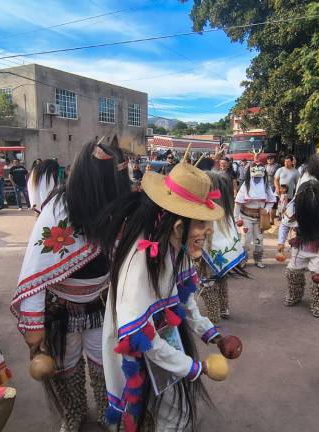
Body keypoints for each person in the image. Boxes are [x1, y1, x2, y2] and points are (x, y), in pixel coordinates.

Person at [97, 161, 243, 432]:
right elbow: (142, 339)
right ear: (178, 227)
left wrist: (213, 334)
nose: (209, 231)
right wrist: (194, 368)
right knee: (169, 416)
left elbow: (184, 300)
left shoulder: (177, 244)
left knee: (176, 411)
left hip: (164, 338)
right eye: (201, 223)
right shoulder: (140, 262)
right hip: (143, 348)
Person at [12, 140, 131, 432]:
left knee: (105, 360)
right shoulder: (58, 209)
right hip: (61, 309)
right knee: (65, 365)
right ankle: (73, 411)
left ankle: (108, 410)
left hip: (101, 304)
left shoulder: (120, 208)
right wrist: (34, 325)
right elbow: (35, 272)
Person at [279, 179, 319, 317]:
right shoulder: (295, 203)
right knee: (293, 272)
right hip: (299, 244)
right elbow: (284, 224)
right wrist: (281, 242)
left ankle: (318, 303)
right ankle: (295, 295)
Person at [199, 171, 246, 323]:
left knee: (207, 281)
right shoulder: (225, 209)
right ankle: (224, 308)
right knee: (221, 277)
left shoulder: (206, 208)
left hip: (208, 250)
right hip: (222, 251)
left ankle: (213, 315)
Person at [235, 162, 276, 268]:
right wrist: (236, 218)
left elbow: (272, 200)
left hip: (259, 219)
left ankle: (258, 259)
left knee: (259, 239)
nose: (257, 178)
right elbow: (238, 202)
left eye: (259, 176)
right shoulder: (246, 185)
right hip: (246, 217)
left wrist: (266, 210)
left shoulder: (266, 185)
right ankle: (243, 260)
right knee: (245, 240)